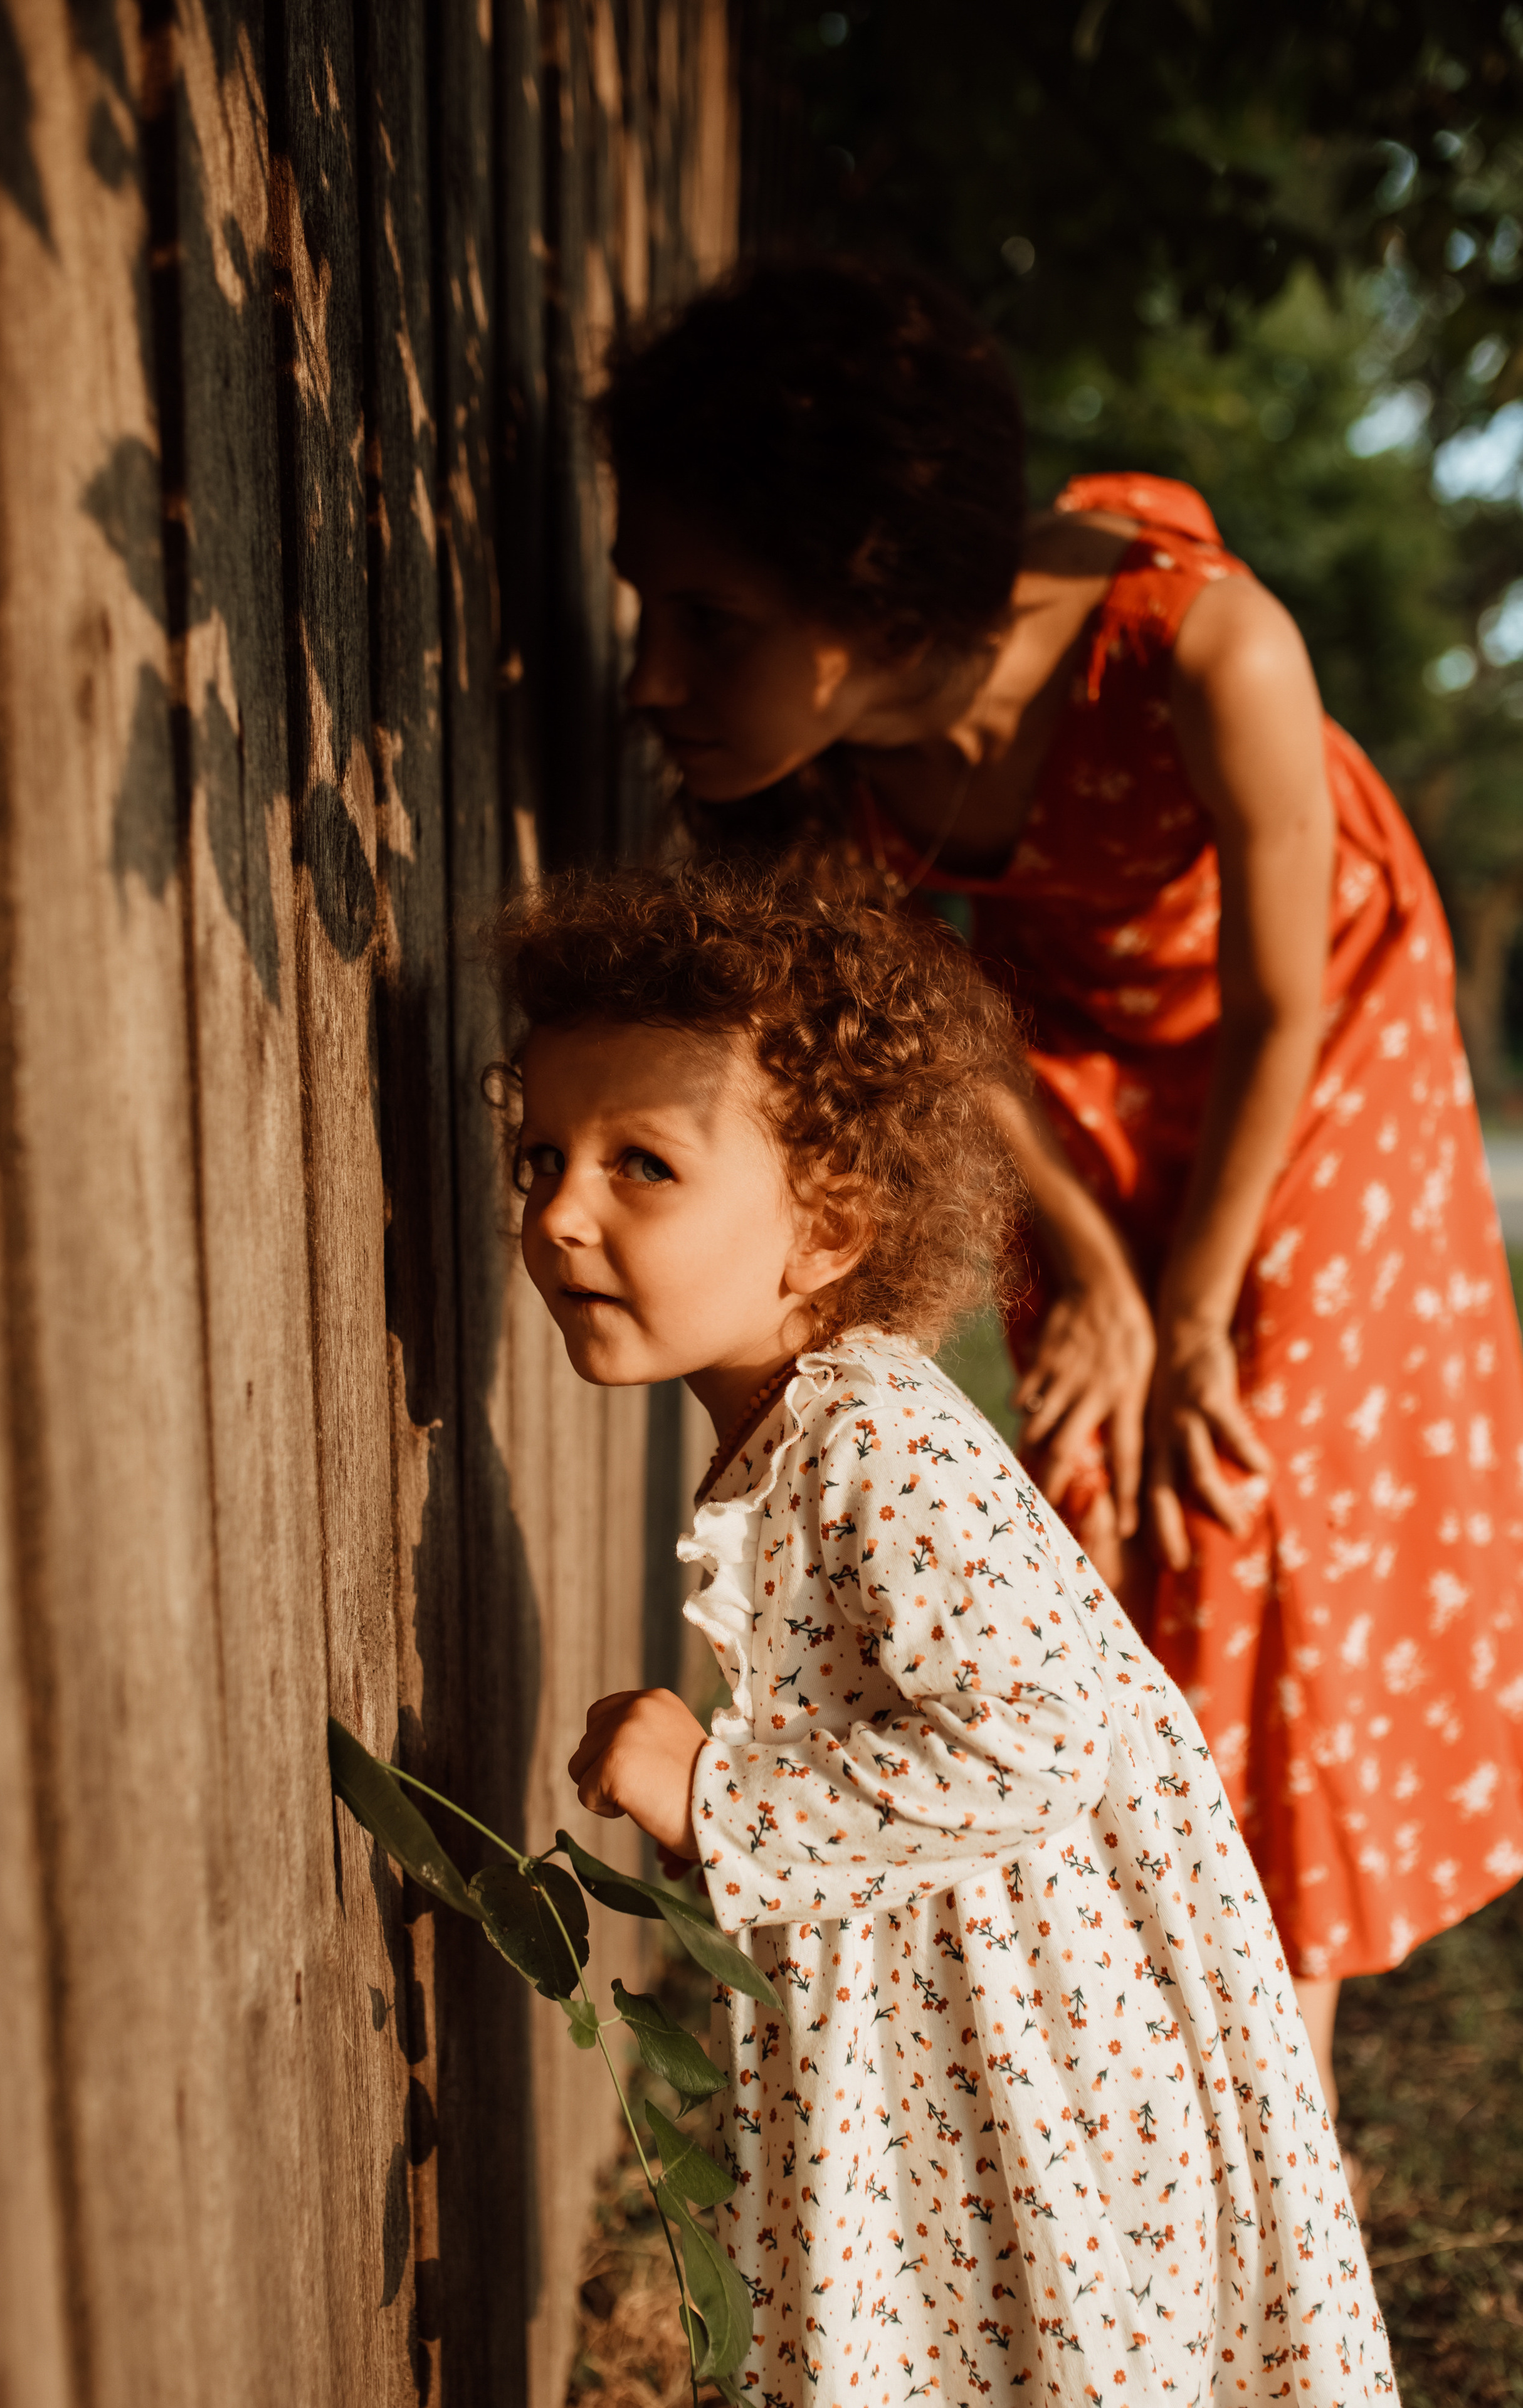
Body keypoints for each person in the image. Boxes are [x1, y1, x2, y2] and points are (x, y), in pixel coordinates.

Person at [593, 256, 1523, 2121]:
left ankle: (1279, 2082)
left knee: (1235, 1463)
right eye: (646, 608)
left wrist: (1195, 1311)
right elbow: (942, 1019)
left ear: (873, 592)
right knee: (1096, 1487)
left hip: (1312, 1041)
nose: (653, 677)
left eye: (709, 621)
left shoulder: (1205, 646)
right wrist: (1093, 1268)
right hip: (1073, 1054)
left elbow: (1286, 1001)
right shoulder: (822, 772)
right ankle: (1134, 2005)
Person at [495, 860, 1396, 2404]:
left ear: (827, 1227)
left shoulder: (872, 1442)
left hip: (1034, 2067)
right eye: (539, 1157)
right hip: (955, 2034)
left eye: (641, 1164)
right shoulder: (812, 1424)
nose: (560, 1213)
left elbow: (1034, 1738)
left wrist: (721, 1794)